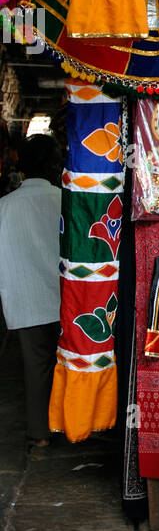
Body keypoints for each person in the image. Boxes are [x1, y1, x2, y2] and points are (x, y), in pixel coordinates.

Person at [0, 133, 62, 451]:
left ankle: (40, 433)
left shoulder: (5, 207)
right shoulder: (64, 201)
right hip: (67, 297)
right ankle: (74, 423)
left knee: (35, 365)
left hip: (26, 297)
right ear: (53, 165)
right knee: (71, 361)